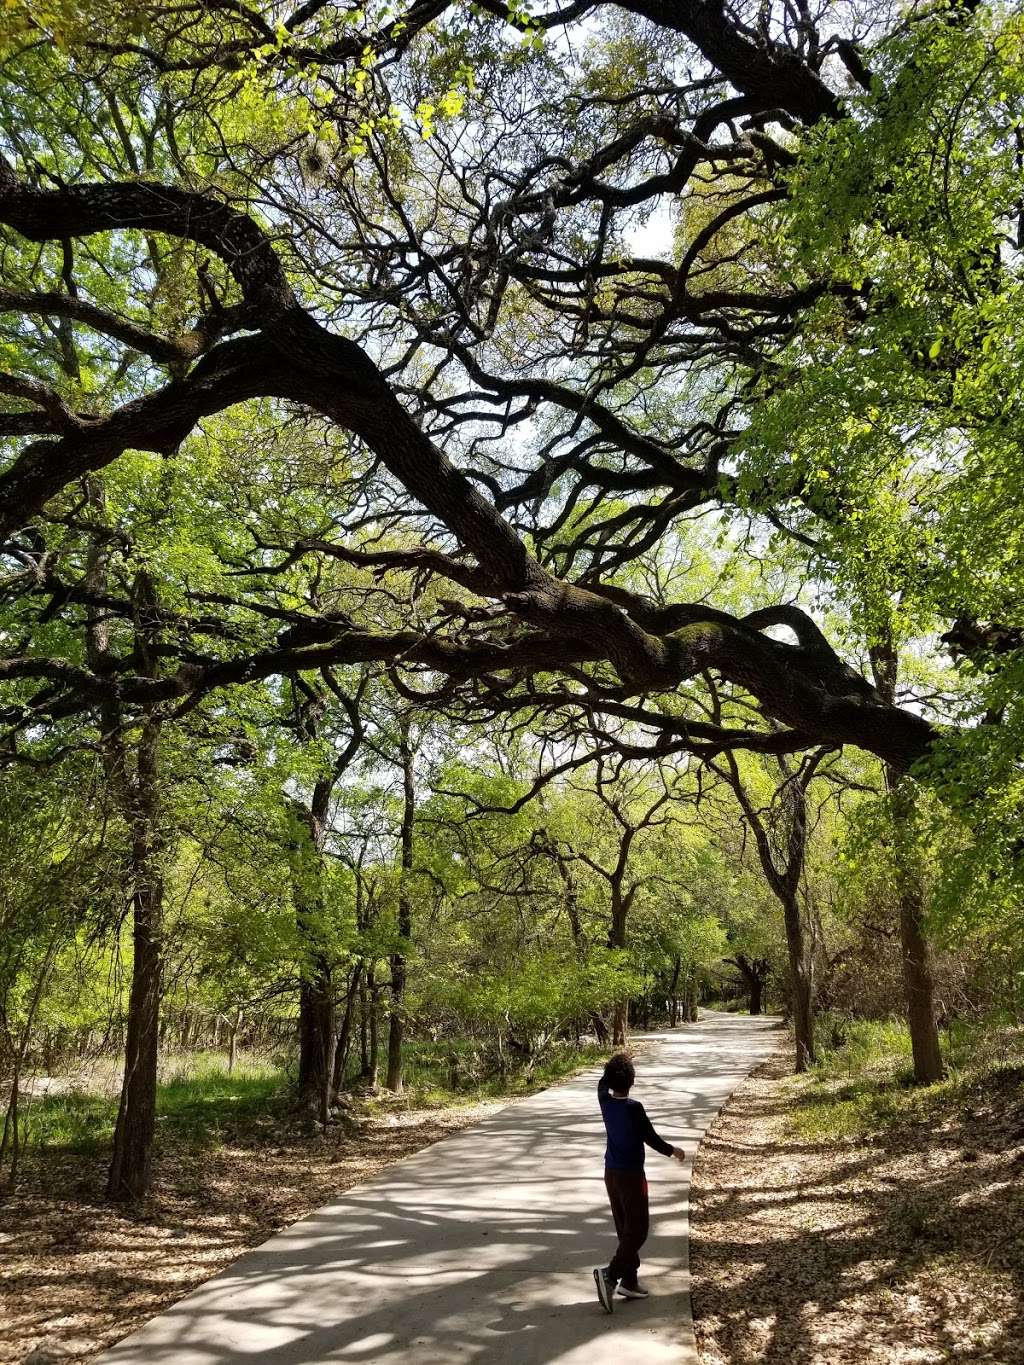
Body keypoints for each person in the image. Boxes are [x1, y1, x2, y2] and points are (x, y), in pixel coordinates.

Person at [593, 1051, 685, 1313]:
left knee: (625, 1229)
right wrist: (673, 1150)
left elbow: (601, 1083)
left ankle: (629, 1282)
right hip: (632, 1177)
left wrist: (614, 1064)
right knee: (639, 1230)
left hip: (611, 1175)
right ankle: (610, 1275)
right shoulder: (634, 1108)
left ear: (610, 1080)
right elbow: (651, 1137)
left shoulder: (604, 1102)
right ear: (632, 1081)